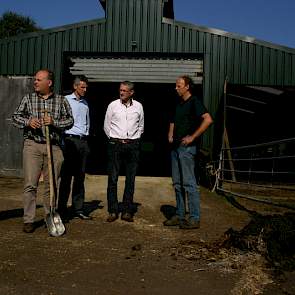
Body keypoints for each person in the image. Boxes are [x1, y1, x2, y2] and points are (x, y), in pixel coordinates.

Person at [12, 69, 74, 233]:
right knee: (30, 184)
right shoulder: (29, 98)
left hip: (53, 145)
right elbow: (15, 117)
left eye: (39, 80)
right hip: (33, 145)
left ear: (49, 83)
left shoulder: (61, 100)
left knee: (51, 184)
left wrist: (54, 122)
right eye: (35, 80)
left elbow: (70, 121)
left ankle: (50, 215)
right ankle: (29, 219)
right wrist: (28, 121)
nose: (35, 82)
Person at [164, 75, 213, 229]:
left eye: (179, 85)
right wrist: (170, 133)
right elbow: (172, 120)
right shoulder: (178, 103)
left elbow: (208, 119)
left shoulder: (194, 102)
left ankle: (194, 218)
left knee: (189, 183)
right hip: (175, 148)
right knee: (177, 184)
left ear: (187, 87)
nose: (176, 88)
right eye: (176, 85)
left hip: (186, 149)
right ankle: (179, 215)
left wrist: (193, 137)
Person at [103, 81, 144, 222]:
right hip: (116, 144)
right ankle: (113, 211)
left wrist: (134, 139)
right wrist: (114, 140)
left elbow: (141, 126)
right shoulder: (113, 105)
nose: (121, 93)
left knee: (130, 179)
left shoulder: (139, 106)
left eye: (124, 91)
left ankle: (127, 211)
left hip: (132, 145)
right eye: (120, 90)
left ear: (131, 92)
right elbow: (106, 126)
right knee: (113, 178)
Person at [58, 75, 92, 221]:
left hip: (82, 142)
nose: (85, 90)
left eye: (86, 87)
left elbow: (87, 122)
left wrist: (86, 138)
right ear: (75, 86)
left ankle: (78, 208)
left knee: (80, 177)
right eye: (82, 87)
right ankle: (62, 209)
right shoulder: (65, 100)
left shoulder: (85, 103)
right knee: (66, 177)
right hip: (69, 140)